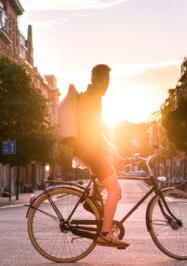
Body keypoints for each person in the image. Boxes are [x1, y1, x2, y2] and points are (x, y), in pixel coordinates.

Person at [71, 64, 128, 248]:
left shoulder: (90, 95)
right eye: (108, 80)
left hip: (87, 148)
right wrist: (111, 150)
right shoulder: (93, 97)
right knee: (115, 190)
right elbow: (93, 130)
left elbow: (97, 129)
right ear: (101, 80)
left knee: (111, 176)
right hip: (89, 149)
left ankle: (94, 198)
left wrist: (111, 149)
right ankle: (105, 233)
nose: (109, 84)